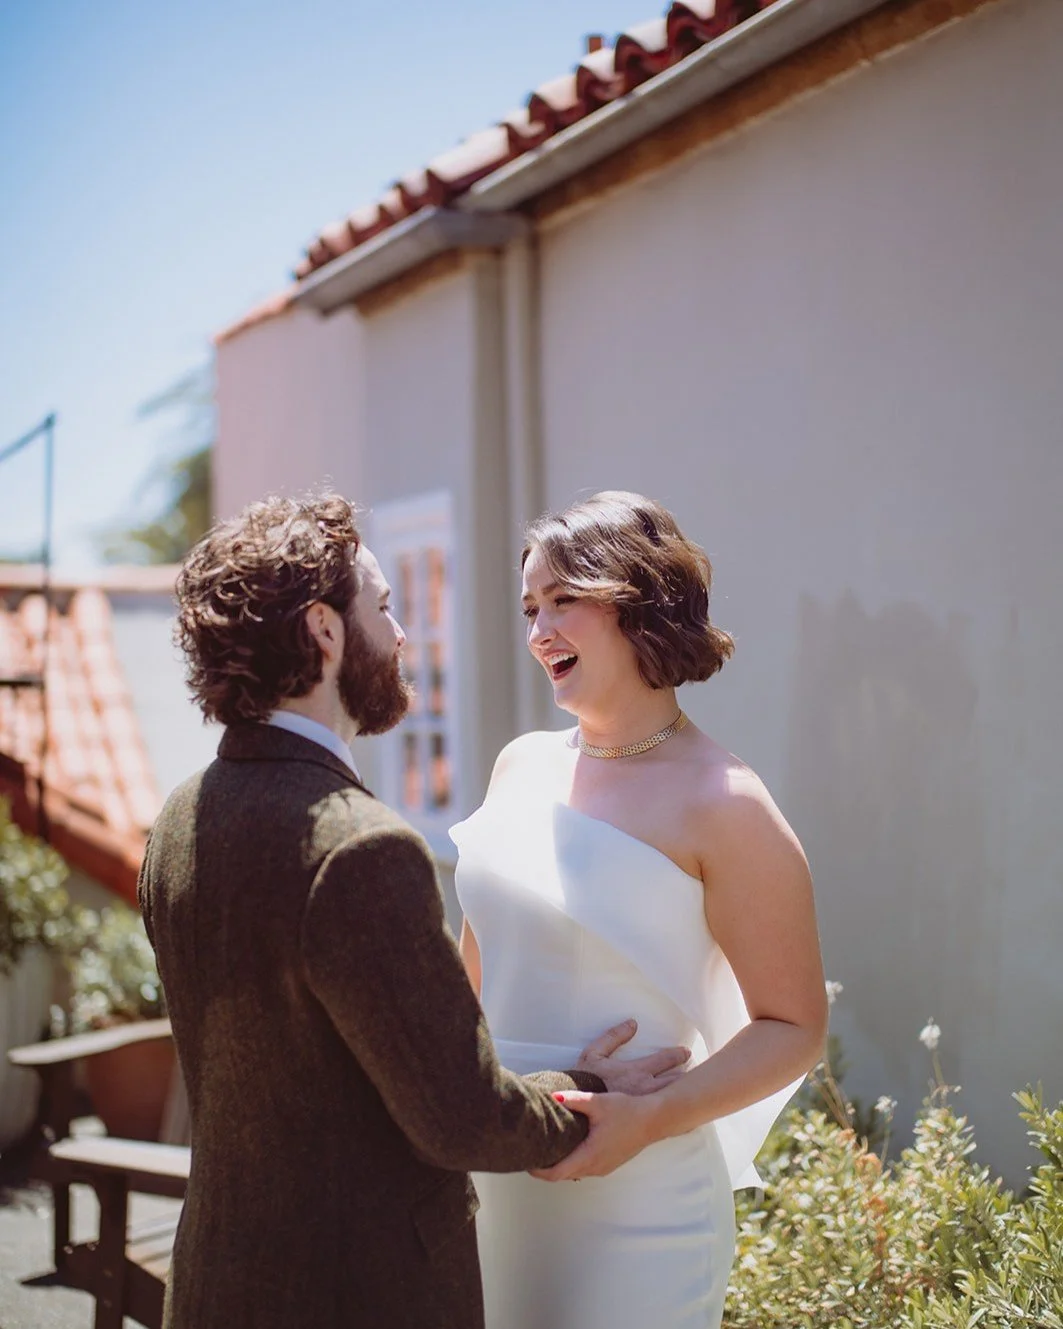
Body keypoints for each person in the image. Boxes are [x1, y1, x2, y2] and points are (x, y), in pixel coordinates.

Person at [138, 493, 689, 1329]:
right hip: (357, 1296)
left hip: (217, 1284)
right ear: (324, 631)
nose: (400, 637)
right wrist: (584, 1087)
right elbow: (460, 1118)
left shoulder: (179, 817)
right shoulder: (360, 849)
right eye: (385, 608)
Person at [451, 490, 829, 1329]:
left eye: (563, 601)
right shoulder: (517, 766)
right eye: (529, 607)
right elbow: (467, 983)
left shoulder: (726, 802)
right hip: (493, 1175)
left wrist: (650, 1117)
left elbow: (793, 1025)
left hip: (642, 1200)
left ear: (637, 602)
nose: (538, 631)